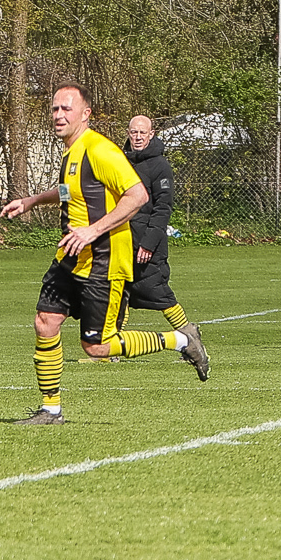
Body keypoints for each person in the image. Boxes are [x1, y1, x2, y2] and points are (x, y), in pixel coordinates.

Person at [2, 83, 207, 425]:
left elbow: (138, 195)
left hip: (104, 259)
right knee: (45, 321)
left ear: (86, 114)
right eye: (55, 108)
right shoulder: (72, 152)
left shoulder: (100, 150)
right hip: (71, 256)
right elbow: (70, 191)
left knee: (97, 346)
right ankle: (50, 410)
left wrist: (92, 231)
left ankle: (181, 339)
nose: (58, 115)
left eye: (66, 108)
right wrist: (31, 201)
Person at [123, 115, 205, 369]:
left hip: (148, 244)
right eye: (134, 132)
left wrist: (148, 243)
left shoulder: (160, 166)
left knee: (157, 291)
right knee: (118, 292)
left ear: (151, 134)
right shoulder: (121, 161)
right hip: (122, 241)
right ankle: (109, 348)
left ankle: (190, 337)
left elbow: (162, 209)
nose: (137, 137)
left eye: (142, 132)